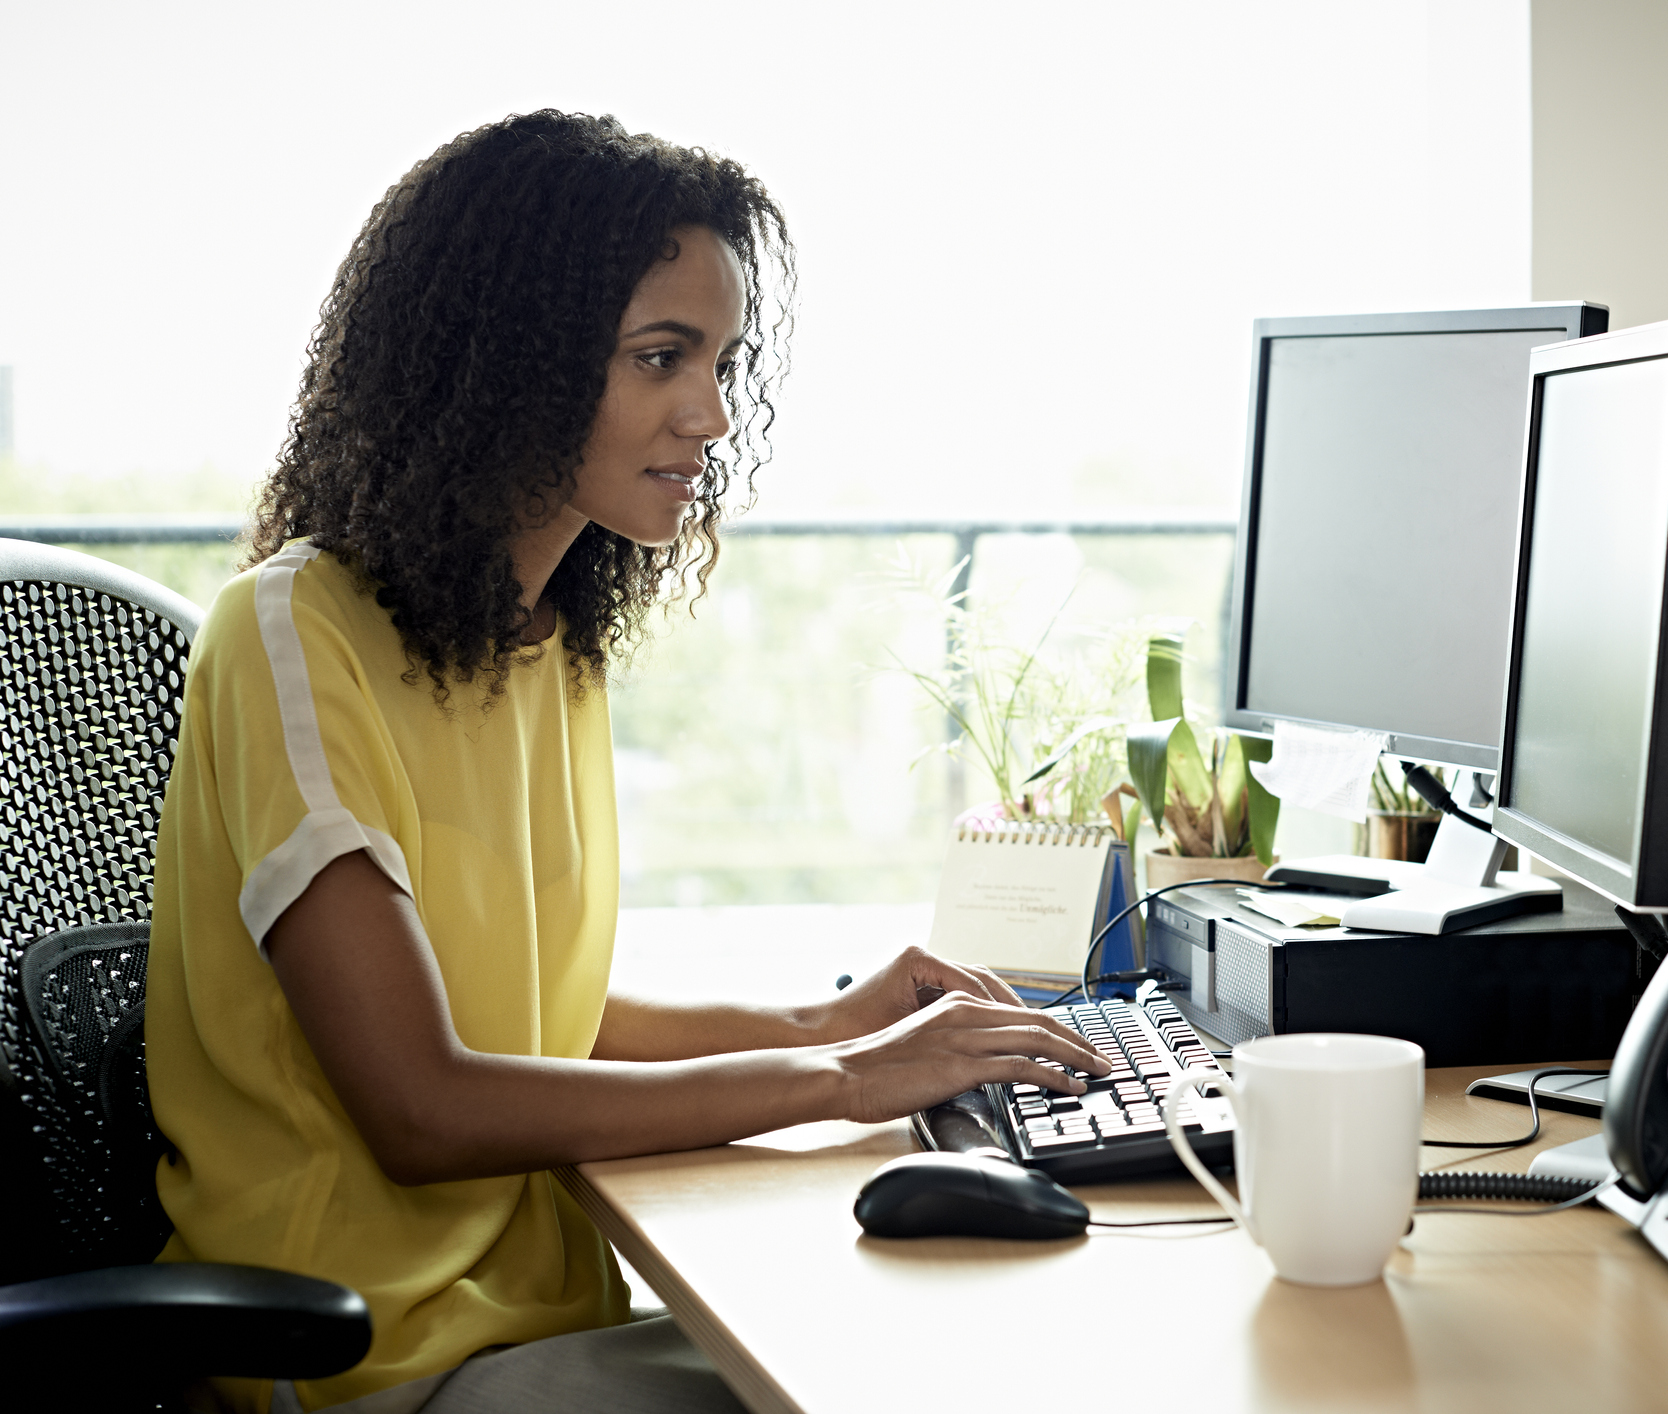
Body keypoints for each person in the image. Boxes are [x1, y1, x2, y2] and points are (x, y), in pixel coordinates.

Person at [144, 110, 1109, 1414]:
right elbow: (421, 1102)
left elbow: (550, 1019)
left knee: (951, 1351)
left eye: (719, 361)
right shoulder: (292, 635)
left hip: (529, 1326)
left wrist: (834, 1020)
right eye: (662, 357)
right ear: (511, 365)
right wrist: (842, 1080)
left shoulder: (555, 641)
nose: (710, 413)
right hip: (363, 1356)